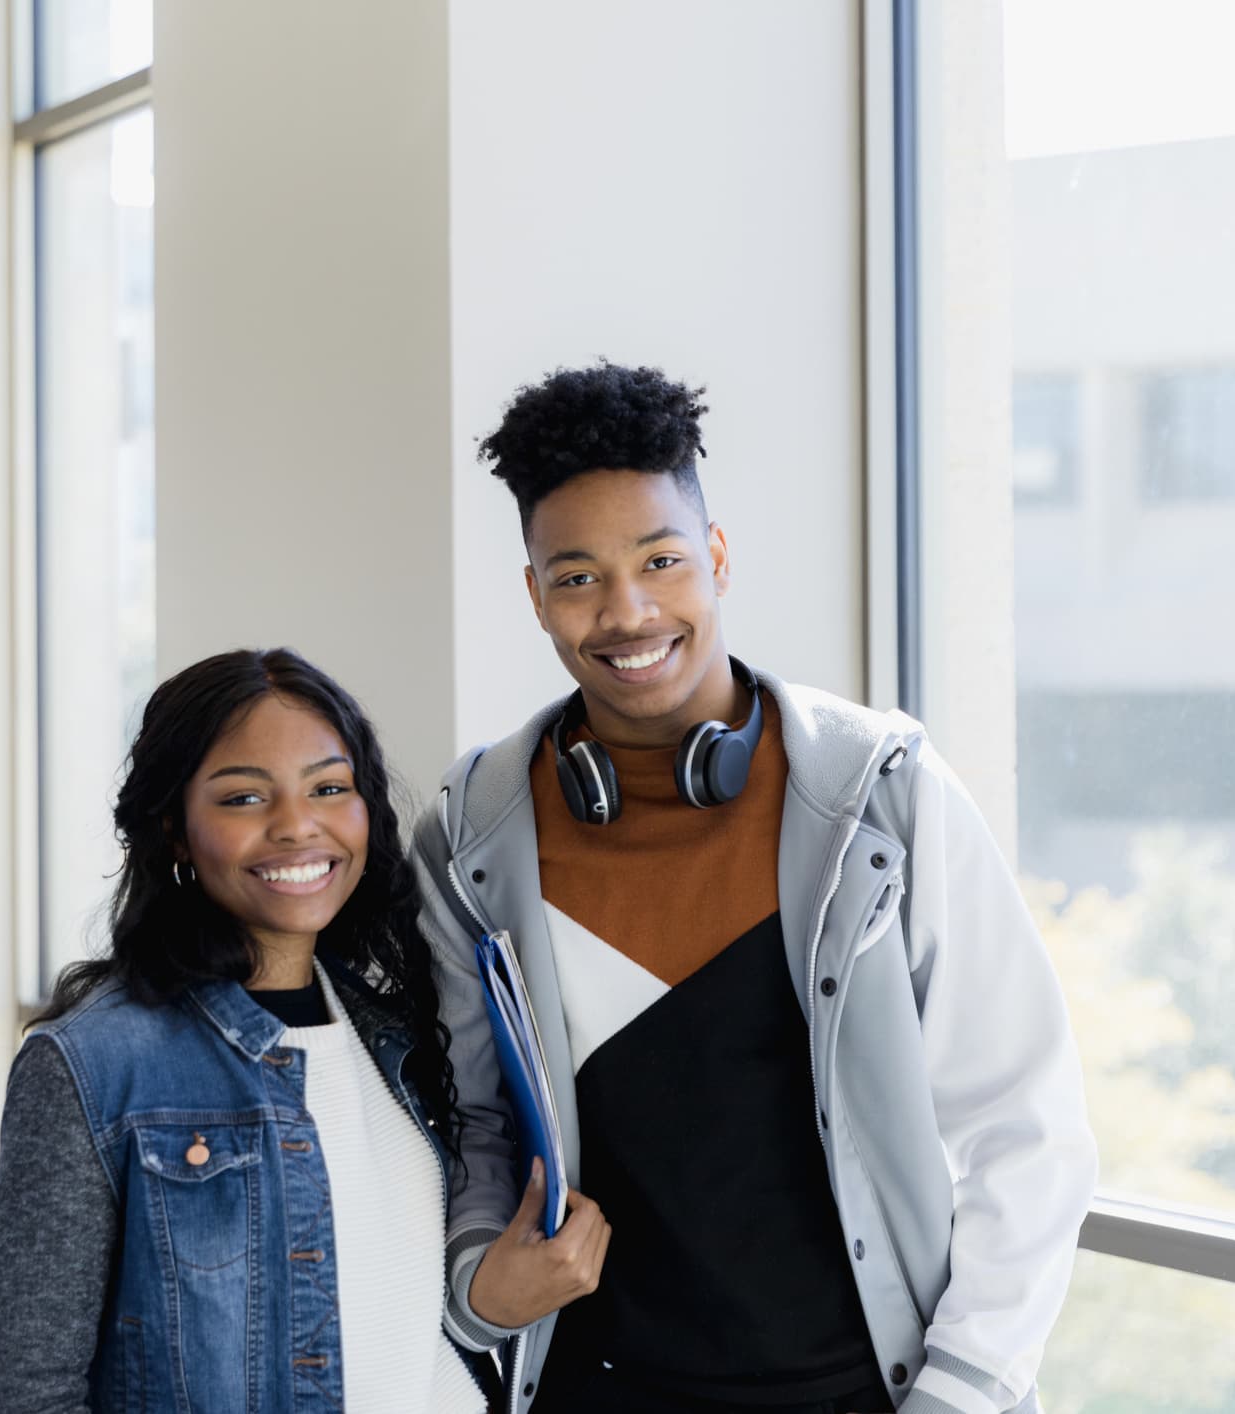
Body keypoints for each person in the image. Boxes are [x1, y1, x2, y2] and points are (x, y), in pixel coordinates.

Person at [415, 363, 1098, 1414]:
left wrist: (963, 1394)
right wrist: (478, 1287)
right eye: (579, 576)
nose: (628, 610)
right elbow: (473, 1119)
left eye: (661, 560)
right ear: (537, 596)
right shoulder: (474, 832)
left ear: (717, 557)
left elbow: (1024, 1124)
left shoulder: (885, 794)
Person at [0, 648, 518, 1413]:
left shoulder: (401, 1034)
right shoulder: (93, 1066)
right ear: (173, 830)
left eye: (329, 788)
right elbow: (23, 1394)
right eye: (242, 799)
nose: (298, 827)